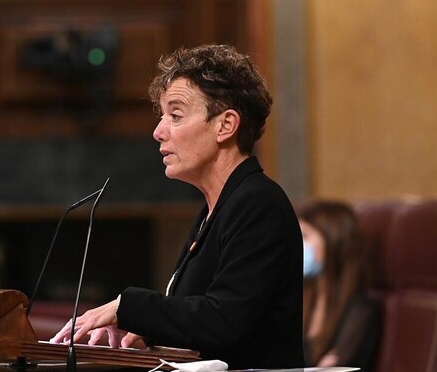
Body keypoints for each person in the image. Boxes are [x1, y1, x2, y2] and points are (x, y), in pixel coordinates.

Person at [50, 44, 304, 369]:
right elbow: (203, 322)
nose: (158, 132)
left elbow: (226, 322)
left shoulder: (257, 204)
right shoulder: (215, 210)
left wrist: (128, 307)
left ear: (225, 125)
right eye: (161, 116)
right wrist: (149, 334)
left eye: (176, 115)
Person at [298, 200, 381, 372]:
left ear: (333, 240)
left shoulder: (360, 310)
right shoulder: (301, 298)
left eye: (305, 236)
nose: (296, 244)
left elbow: (338, 368)